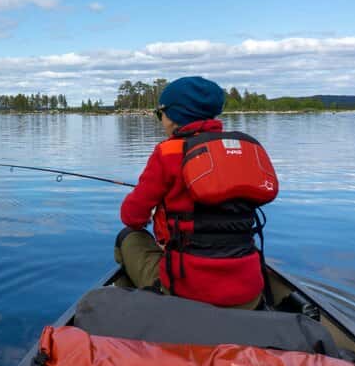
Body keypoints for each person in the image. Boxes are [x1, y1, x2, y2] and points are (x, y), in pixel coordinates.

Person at [114, 76, 275, 309]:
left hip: (185, 292)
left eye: (160, 113)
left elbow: (132, 217)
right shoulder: (244, 149)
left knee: (128, 235)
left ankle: (145, 306)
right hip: (248, 293)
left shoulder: (167, 153)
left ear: (174, 115)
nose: (161, 120)